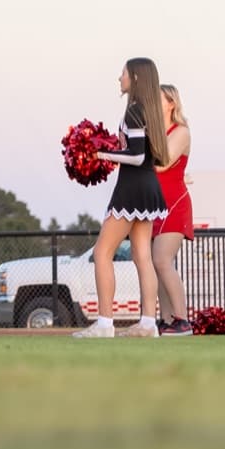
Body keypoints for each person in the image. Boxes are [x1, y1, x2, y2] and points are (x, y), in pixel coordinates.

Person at [73, 57, 171, 339]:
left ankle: (104, 323)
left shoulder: (135, 111)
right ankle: (148, 323)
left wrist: (100, 154)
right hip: (148, 185)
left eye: (124, 73)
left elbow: (138, 156)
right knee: (142, 256)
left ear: (136, 79)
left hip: (132, 188)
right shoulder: (150, 112)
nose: (120, 78)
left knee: (102, 252)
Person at [152, 84, 195, 334]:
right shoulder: (152, 132)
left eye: (158, 99)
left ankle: (182, 319)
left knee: (162, 260)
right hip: (152, 205)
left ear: (172, 104)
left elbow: (162, 162)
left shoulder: (181, 132)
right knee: (154, 264)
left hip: (173, 203)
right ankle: (167, 319)